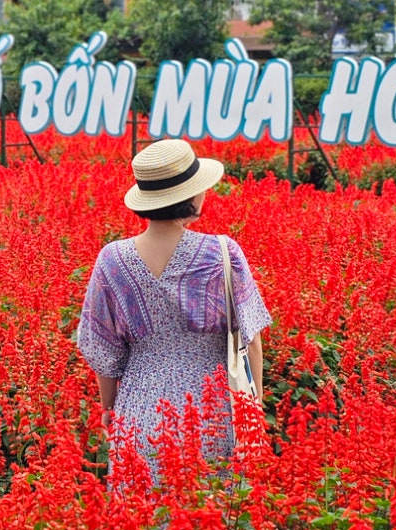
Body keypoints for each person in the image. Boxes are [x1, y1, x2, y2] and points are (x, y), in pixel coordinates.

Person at [77, 138, 271, 473]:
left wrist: (109, 409)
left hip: (139, 414)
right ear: (191, 196)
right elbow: (251, 340)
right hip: (215, 413)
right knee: (212, 514)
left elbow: (103, 352)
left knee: (140, 518)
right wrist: (255, 409)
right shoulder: (223, 253)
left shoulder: (112, 260)